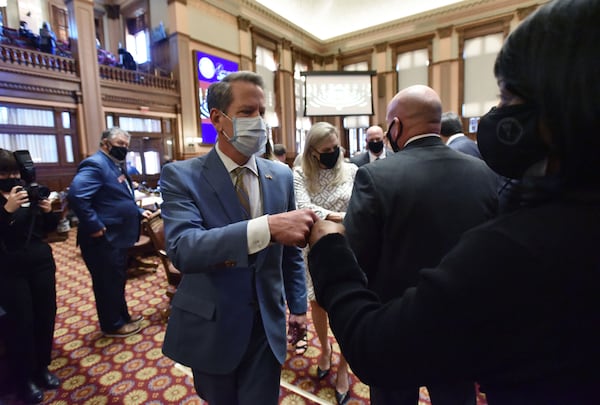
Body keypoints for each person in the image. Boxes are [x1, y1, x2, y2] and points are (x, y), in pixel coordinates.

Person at [306, 0, 600, 403]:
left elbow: (363, 283)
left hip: (392, 330)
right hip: (467, 352)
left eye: (508, 98)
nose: (498, 113)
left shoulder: (520, 245)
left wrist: (328, 248)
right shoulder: (487, 175)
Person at [160, 71, 318, 405]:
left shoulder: (281, 175)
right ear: (218, 118)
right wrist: (266, 229)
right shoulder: (182, 176)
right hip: (213, 324)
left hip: (266, 324)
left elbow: (290, 253)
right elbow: (183, 249)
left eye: (262, 112)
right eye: (248, 112)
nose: (259, 122)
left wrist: (298, 306)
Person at [342, 85, 498, 405]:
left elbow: (356, 258)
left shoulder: (375, 176)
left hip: (394, 326)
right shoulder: (482, 172)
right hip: (461, 326)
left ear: (396, 126)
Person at [293, 122, 357, 405]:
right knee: (316, 303)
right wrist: (342, 217)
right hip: (315, 249)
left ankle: (344, 367)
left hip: (349, 248)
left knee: (348, 308)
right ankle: (325, 350)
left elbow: (360, 205)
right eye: (326, 150)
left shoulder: (352, 170)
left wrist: (329, 217)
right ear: (313, 152)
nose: (333, 153)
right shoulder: (299, 174)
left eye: (336, 148)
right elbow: (303, 209)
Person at [67, 127, 152, 338]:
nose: (124, 149)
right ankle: (112, 325)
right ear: (106, 143)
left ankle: (123, 316)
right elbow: (77, 196)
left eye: (126, 145)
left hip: (117, 237)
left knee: (116, 280)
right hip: (103, 238)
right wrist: (94, 226)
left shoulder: (113, 165)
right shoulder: (95, 164)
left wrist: (138, 211)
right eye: (121, 144)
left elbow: (116, 198)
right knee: (106, 283)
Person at [0, 149, 60, 404]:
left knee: (45, 316)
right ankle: (23, 378)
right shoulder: (8, 200)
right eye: (4, 173)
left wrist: (47, 212)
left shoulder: (28, 192)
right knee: (20, 324)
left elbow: (49, 229)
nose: (12, 177)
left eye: (15, 172)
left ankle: (41, 367)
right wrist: (7, 211)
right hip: (10, 270)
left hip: (41, 264)